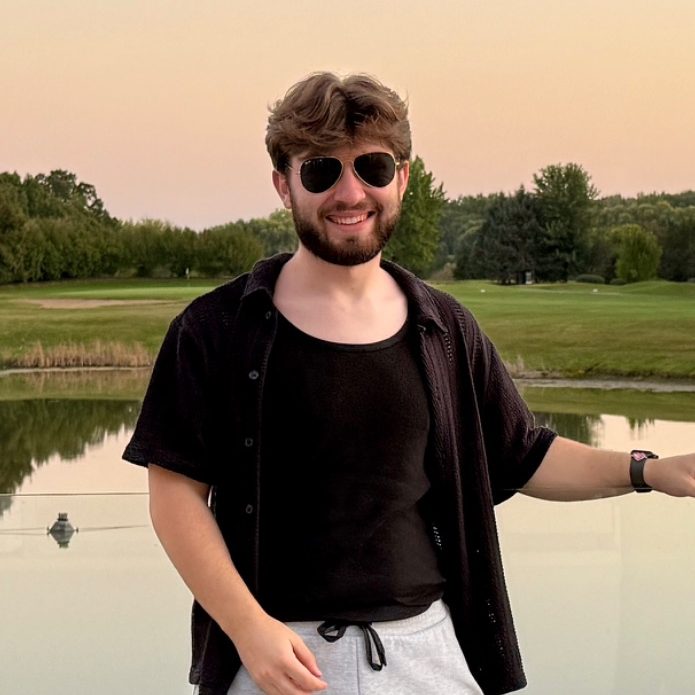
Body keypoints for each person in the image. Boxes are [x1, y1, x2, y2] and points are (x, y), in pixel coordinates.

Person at [123, 72, 695, 695]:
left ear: (402, 177)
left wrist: (648, 470)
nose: (350, 192)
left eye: (371, 167)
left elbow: (523, 455)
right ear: (283, 185)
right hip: (275, 657)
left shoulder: (445, 328)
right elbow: (175, 496)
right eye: (321, 171)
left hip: (427, 654)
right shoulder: (213, 330)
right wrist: (247, 628)